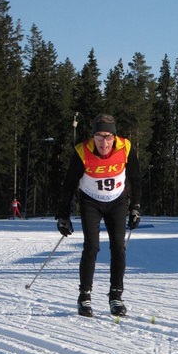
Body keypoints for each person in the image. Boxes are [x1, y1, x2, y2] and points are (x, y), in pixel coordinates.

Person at [56, 114, 141, 317]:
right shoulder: (82, 151)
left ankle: (116, 297)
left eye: (108, 137)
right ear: (93, 136)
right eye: (99, 137)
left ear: (114, 136)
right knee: (92, 246)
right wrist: (63, 215)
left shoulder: (125, 147)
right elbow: (69, 185)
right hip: (91, 202)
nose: (104, 143)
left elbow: (135, 178)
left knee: (118, 247)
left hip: (117, 202)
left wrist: (135, 207)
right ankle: (84, 297)